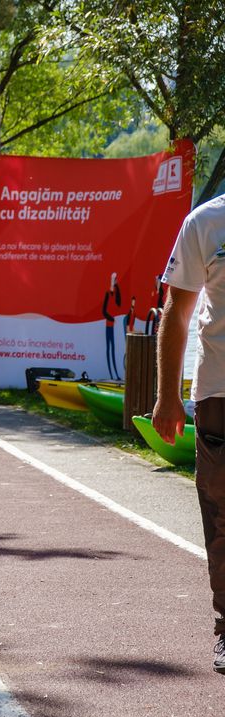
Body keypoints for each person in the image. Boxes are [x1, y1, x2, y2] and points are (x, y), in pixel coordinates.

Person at [152, 192, 225, 674]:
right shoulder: (207, 221)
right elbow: (177, 313)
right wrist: (167, 395)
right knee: (222, 518)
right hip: (220, 393)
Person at [103, 272, 123, 381]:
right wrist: (111, 319)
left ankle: (115, 375)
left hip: (114, 326)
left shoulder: (115, 295)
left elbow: (118, 302)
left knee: (113, 348)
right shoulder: (108, 294)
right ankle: (110, 374)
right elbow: (104, 311)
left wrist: (116, 285)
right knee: (109, 348)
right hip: (108, 326)